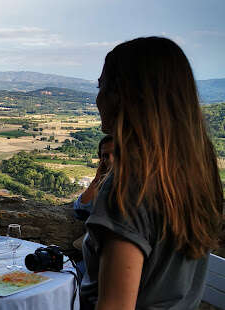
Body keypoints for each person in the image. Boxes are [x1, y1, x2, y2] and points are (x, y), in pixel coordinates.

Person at [80, 37, 223, 310]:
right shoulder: (196, 176)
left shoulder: (128, 189)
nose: (97, 98)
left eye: (102, 86)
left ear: (123, 97)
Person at [73, 135, 114, 222]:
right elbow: (80, 207)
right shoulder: (104, 182)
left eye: (115, 154)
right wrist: (97, 178)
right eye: (106, 156)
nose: (111, 159)